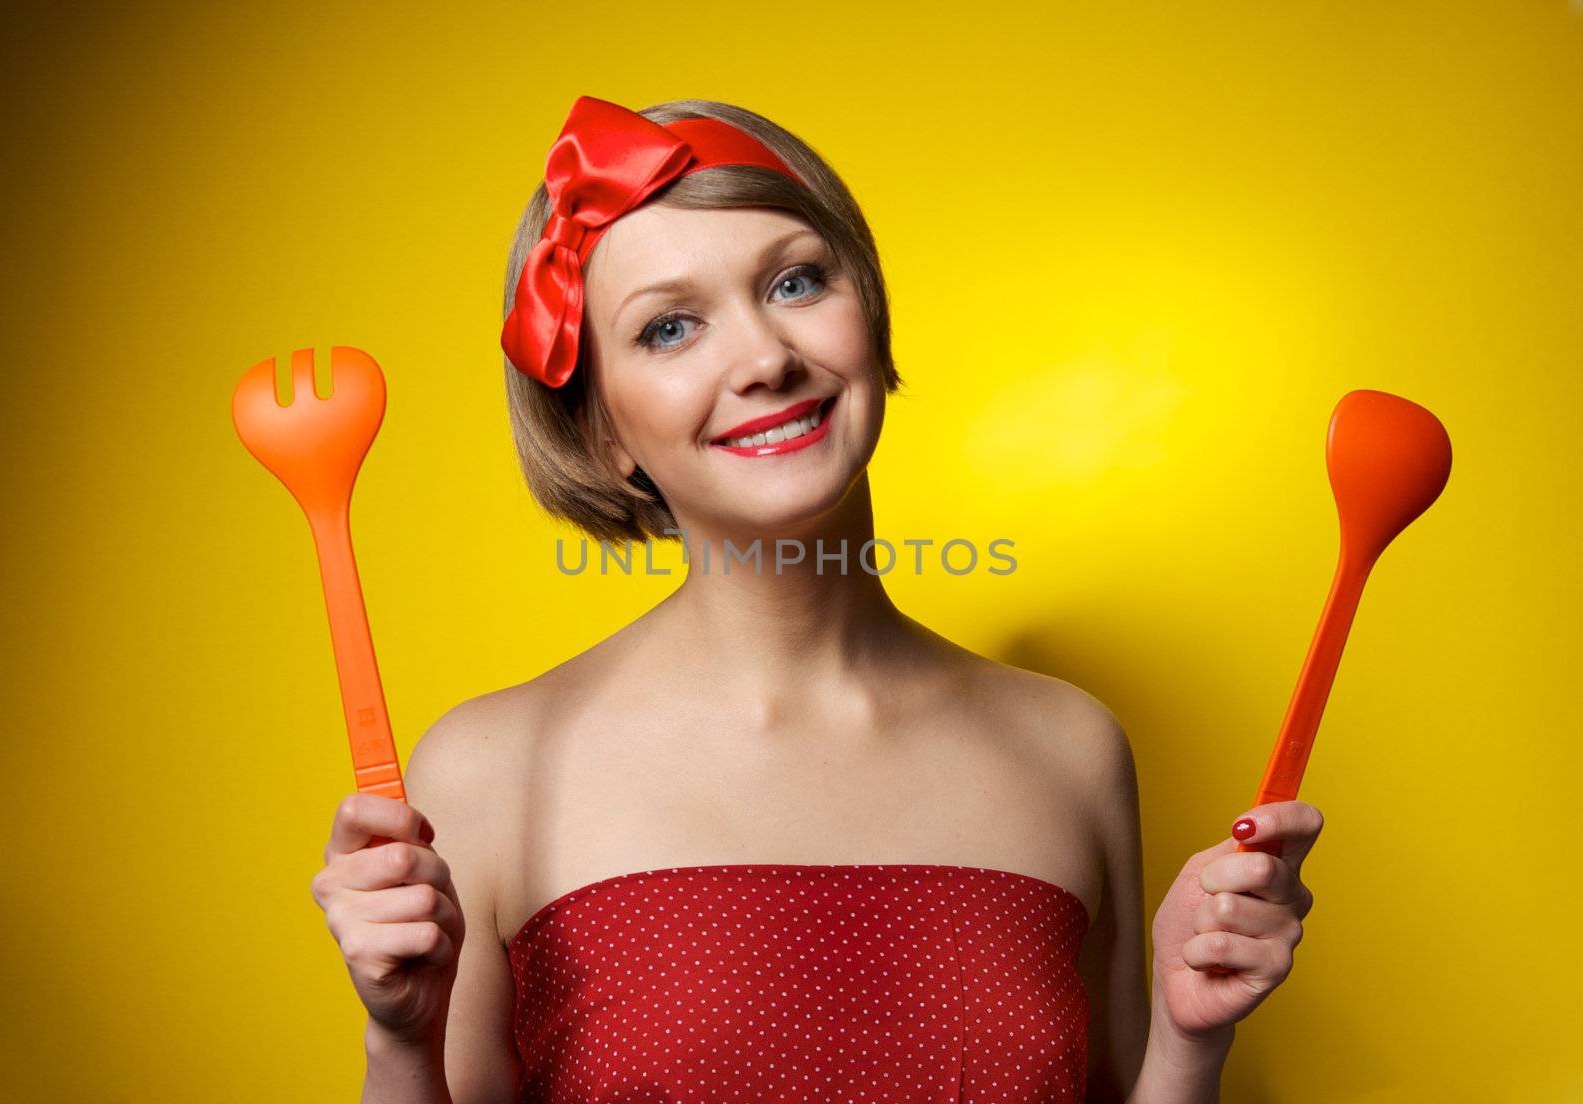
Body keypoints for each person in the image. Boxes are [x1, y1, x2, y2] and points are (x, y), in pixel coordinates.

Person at [309, 94, 1324, 1104]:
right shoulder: (488, 771)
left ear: (873, 317)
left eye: (795, 281)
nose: (763, 359)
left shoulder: (1071, 749)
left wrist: (1191, 1049)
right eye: (668, 329)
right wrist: (397, 1045)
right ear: (601, 436)